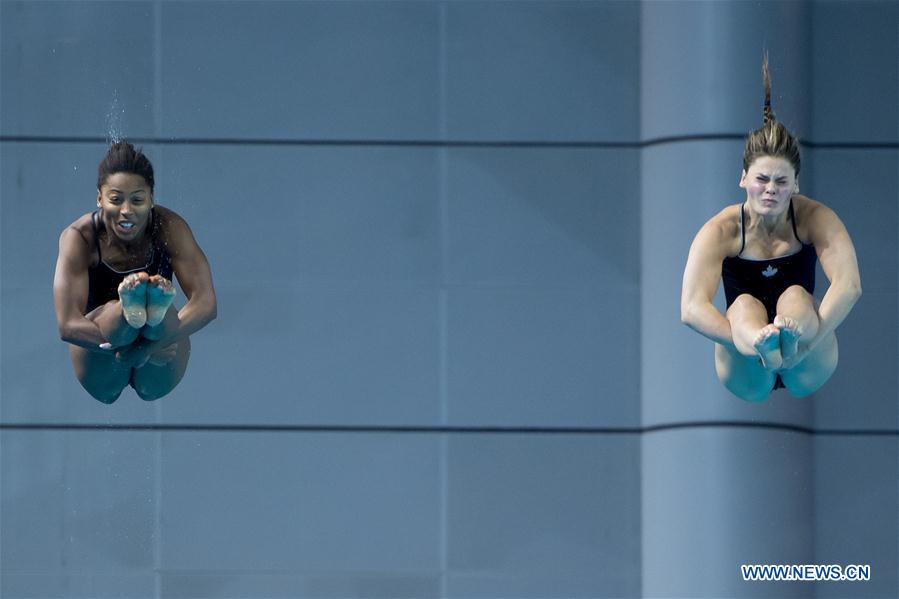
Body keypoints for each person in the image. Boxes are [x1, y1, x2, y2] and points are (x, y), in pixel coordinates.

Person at [681, 57, 861, 401]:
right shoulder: (720, 231)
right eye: (762, 179)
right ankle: (765, 345)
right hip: (747, 364)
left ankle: (783, 341)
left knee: (795, 297)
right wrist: (740, 338)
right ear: (743, 179)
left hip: (808, 352)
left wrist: (810, 343)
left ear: (795, 185)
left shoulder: (814, 217)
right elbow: (691, 308)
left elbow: (849, 285)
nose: (770, 189)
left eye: (781, 181)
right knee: (743, 306)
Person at [53, 141, 217, 403]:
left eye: (137, 200)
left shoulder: (169, 227)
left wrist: (152, 346)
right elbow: (68, 324)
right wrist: (128, 350)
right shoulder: (80, 238)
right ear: (99, 198)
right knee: (115, 316)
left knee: (165, 319)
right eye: (116, 199)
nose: (126, 211)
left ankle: (150, 312)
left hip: (160, 350)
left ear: (151, 198)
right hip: (100, 350)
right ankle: (128, 311)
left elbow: (206, 303)